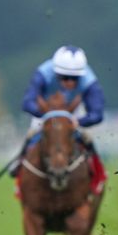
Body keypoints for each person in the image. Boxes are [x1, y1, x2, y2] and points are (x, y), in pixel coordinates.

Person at [12, 45, 105, 176]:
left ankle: (98, 174)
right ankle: (20, 166)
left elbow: (97, 114)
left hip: (73, 114)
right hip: (44, 112)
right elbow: (28, 103)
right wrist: (46, 115)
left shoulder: (89, 80)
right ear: (56, 73)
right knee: (31, 137)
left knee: (87, 140)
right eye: (65, 77)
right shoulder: (43, 72)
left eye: (75, 78)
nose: (70, 82)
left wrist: (80, 121)